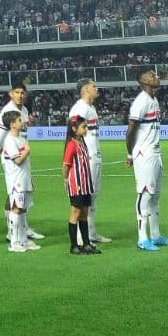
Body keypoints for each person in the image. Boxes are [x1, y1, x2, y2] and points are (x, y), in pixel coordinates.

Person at [126, 67, 168, 251]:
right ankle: (142, 238)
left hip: (155, 153)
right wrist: (130, 153)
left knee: (155, 196)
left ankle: (156, 236)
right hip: (144, 154)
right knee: (144, 194)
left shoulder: (153, 99)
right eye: (152, 75)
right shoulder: (141, 101)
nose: (157, 76)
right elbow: (131, 129)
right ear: (144, 80)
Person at [67, 80, 111, 243]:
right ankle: (80, 236)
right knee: (85, 197)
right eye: (93, 86)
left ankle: (91, 233)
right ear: (86, 89)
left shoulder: (91, 108)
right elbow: (72, 135)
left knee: (93, 196)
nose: (96, 88)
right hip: (86, 158)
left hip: (95, 155)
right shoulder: (79, 109)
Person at [0, 81, 43, 242]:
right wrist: (7, 154)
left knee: (22, 197)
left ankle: (23, 232)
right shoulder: (8, 112)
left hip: (21, 152)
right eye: (17, 92)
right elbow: (0, 139)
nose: (20, 95)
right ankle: (13, 233)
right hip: (13, 157)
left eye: (22, 92)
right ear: (11, 93)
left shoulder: (23, 110)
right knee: (14, 196)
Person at [63, 117, 100, 255]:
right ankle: (74, 246)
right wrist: (66, 180)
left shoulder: (82, 142)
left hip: (85, 184)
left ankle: (86, 244)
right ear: (74, 129)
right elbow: (65, 165)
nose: (86, 129)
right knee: (75, 213)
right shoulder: (72, 144)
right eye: (84, 127)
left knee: (84, 213)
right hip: (77, 184)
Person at [1, 111, 37, 252]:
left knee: (22, 210)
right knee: (16, 209)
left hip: (24, 178)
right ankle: (14, 242)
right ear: (12, 124)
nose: (22, 122)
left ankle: (23, 240)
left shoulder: (20, 138)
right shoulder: (9, 140)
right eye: (19, 120)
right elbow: (17, 160)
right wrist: (26, 151)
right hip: (16, 180)